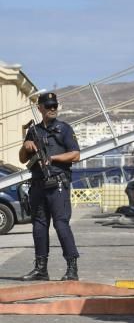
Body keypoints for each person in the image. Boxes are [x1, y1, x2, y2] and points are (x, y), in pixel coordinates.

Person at [18, 92, 81, 281]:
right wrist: (26, 146)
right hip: (37, 185)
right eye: (49, 106)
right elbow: (22, 159)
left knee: (61, 225)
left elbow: (75, 155)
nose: (53, 109)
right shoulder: (33, 131)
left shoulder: (64, 129)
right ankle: (40, 269)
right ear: (40, 108)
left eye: (55, 105)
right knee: (38, 226)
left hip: (57, 184)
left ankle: (72, 268)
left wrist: (52, 158)